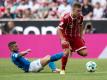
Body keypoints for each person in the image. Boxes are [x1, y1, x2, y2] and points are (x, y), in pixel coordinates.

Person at [57, 2, 88, 75]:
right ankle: (62, 69)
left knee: (85, 53)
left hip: (75, 37)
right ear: (73, 10)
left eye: (80, 11)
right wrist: (62, 39)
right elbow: (58, 29)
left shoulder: (80, 17)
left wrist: (81, 36)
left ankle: (72, 49)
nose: (79, 12)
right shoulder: (66, 18)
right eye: (78, 11)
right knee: (66, 53)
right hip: (66, 37)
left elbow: (80, 25)